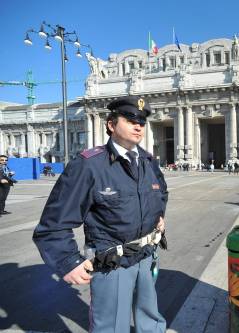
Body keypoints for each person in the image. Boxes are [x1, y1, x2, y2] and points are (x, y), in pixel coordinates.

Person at [33, 96, 168, 332]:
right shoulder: (89, 165)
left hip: (147, 255)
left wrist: (158, 217)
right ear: (111, 124)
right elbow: (53, 224)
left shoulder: (148, 161)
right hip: (112, 263)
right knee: (111, 326)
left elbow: (161, 192)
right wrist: (68, 262)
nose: (138, 126)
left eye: (142, 121)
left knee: (151, 319)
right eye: (130, 119)